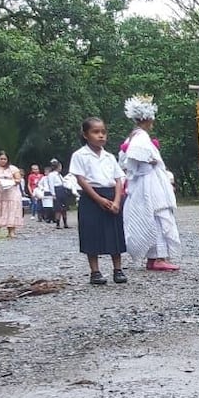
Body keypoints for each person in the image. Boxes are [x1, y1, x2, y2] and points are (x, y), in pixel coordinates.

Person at [120, 95, 181, 272]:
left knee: (153, 216)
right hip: (148, 184)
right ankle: (157, 258)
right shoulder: (141, 137)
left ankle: (155, 257)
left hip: (143, 183)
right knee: (156, 216)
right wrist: (151, 161)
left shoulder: (132, 136)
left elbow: (124, 160)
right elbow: (134, 158)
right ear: (148, 118)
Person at [70, 117, 127, 285]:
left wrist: (117, 200)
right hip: (91, 196)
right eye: (96, 132)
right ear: (86, 135)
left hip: (111, 195)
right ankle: (95, 271)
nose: (101, 135)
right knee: (91, 233)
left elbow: (118, 179)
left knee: (114, 233)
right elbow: (81, 180)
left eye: (103, 132)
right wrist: (98, 199)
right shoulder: (80, 155)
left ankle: (118, 269)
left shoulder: (109, 156)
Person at [0, 151, 24, 239]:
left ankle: (12, 231)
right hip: (0, 193)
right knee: (3, 210)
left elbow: (18, 180)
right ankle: (7, 229)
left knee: (12, 210)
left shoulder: (13, 168)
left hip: (12, 192)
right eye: (1, 159)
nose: (3, 161)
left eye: (5, 159)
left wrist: (8, 181)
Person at [52, 160, 75, 229]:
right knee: (58, 208)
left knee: (64, 207)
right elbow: (51, 184)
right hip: (57, 190)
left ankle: (65, 223)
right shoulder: (52, 175)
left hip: (62, 190)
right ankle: (58, 224)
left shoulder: (59, 175)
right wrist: (53, 194)